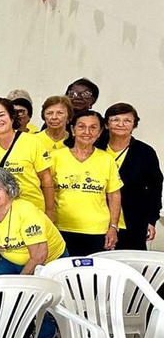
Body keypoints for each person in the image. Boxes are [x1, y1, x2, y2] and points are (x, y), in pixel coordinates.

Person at [50, 110, 122, 256]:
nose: (87, 132)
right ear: (73, 130)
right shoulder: (55, 157)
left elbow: (114, 195)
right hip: (60, 227)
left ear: (100, 132)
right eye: (82, 127)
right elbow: (45, 191)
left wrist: (113, 227)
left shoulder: (107, 159)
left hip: (97, 231)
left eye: (93, 127)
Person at [0, 167, 66, 276]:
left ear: (9, 189)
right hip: (12, 261)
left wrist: (21, 282)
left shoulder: (26, 211)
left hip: (48, 261)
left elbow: (39, 256)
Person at [98, 103, 162, 250]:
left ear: (134, 125)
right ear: (106, 124)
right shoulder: (96, 148)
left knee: (129, 260)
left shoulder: (145, 152)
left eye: (127, 120)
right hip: (97, 221)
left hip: (133, 221)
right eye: (115, 120)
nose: (121, 124)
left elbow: (155, 188)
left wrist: (151, 219)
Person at [0, 98, 54, 217]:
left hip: (31, 209)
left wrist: (50, 211)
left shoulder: (32, 141)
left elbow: (46, 178)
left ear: (12, 116)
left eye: (1, 115)